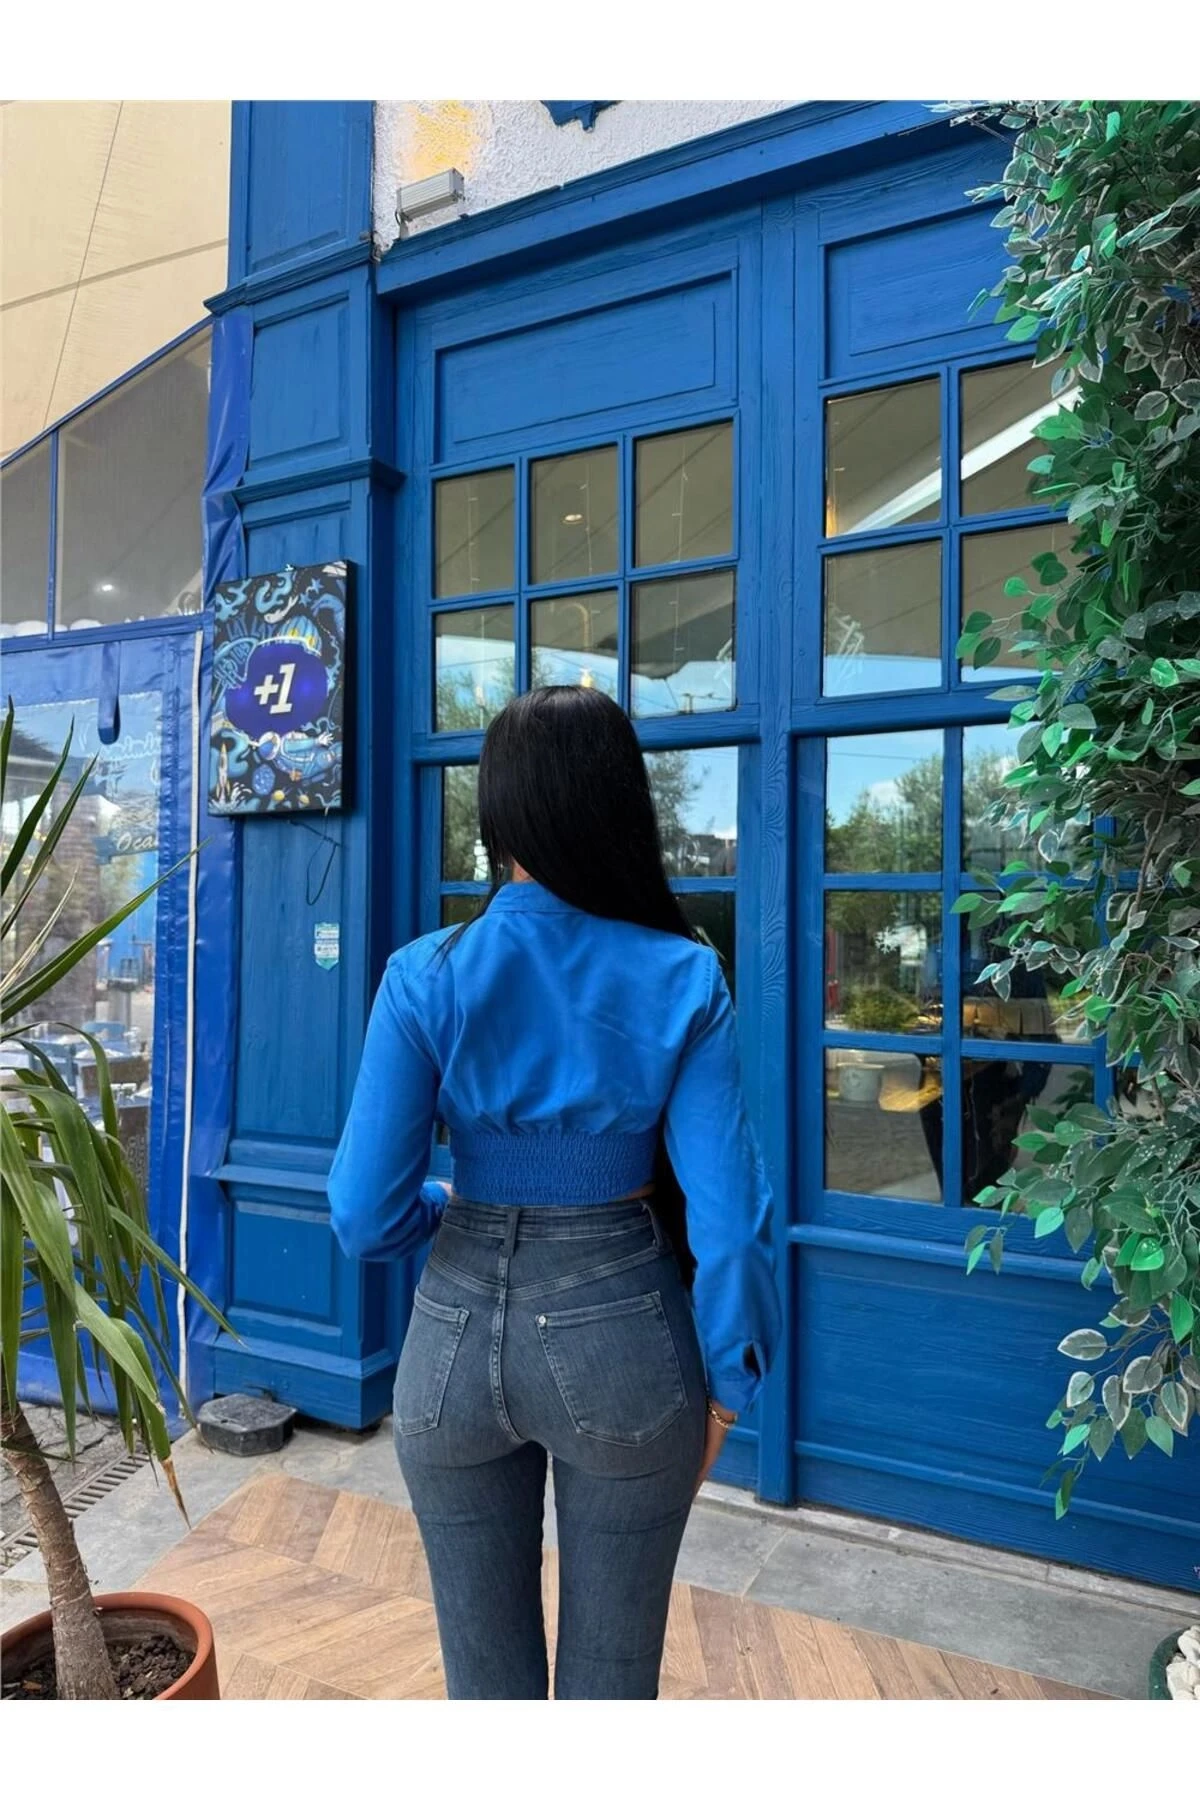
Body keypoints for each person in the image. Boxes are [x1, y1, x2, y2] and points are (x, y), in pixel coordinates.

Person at [328, 685, 781, 1701]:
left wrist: (449, 1207)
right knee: (610, 1686)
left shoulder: (423, 974)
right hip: (624, 1340)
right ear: (620, 806)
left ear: (499, 813)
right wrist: (728, 1387)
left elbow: (361, 1213)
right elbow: (730, 1224)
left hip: (447, 1342)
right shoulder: (683, 974)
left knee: (484, 1687)